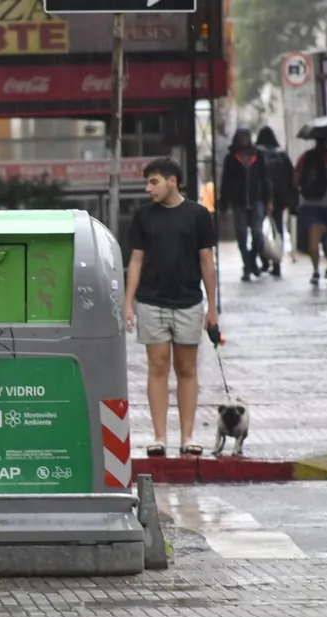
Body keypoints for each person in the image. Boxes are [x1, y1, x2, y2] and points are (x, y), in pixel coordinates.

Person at [125, 157, 218, 457]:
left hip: (189, 301)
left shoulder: (199, 215)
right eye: (147, 182)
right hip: (151, 302)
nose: (148, 188)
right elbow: (136, 261)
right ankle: (159, 437)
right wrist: (128, 303)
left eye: (153, 182)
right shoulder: (143, 217)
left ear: (172, 181)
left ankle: (188, 436)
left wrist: (212, 308)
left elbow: (207, 262)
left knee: (187, 368)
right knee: (157, 366)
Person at [218, 127, 273, 282]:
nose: (244, 140)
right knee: (241, 235)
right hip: (239, 202)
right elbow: (226, 182)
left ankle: (252, 260)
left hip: (256, 200)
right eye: (241, 137)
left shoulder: (258, 155)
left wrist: (268, 200)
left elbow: (265, 179)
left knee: (257, 234)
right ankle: (247, 266)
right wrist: (223, 205)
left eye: (246, 136)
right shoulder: (231, 158)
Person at [296, 136, 327, 286]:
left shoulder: (305, 157)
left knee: (314, 234)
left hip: (309, 202)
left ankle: (315, 270)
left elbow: (295, 179)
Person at [255, 126, 297, 278]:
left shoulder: (257, 153)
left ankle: (264, 260)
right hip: (280, 199)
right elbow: (292, 179)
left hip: (260, 197)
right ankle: (277, 263)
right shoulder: (281, 155)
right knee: (278, 230)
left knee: (258, 230)